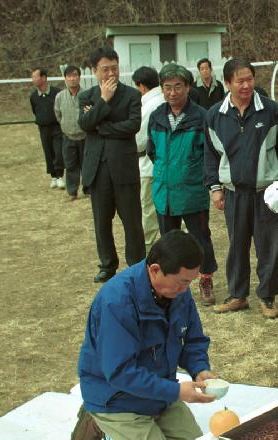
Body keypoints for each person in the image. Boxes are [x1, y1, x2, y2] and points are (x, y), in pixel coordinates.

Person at [70, 230, 217, 440]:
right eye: (182, 282)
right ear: (155, 269)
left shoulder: (178, 292)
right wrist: (175, 390)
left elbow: (193, 339)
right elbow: (120, 372)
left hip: (158, 394)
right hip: (116, 397)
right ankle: (106, 429)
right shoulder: (117, 302)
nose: (186, 289)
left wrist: (200, 369)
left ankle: (136, 430)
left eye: (190, 282)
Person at [204, 58, 278, 318]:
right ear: (228, 83)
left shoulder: (271, 111)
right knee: (236, 245)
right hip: (233, 193)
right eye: (239, 80)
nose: (246, 85)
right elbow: (210, 155)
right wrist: (215, 187)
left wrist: (274, 176)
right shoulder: (215, 115)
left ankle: (267, 296)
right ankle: (237, 295)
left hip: (266, 193)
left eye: (249, 79)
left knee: (271, 247)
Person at [148, 64, 218, 306]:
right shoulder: (157, 116)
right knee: (168, 242)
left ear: (188, 87)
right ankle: (171, 284)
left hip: (192, 191)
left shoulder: (202, 116)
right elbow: (152, 151)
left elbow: (210, 154)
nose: (173, 92)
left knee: (200, 239)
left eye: (178, 86)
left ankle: (206, 279)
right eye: (167, 87)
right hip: (164, 193)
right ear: (162, 89)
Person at [78, 47, 145, 283]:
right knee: (101, 221)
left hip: (124, 168)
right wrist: (104, 101)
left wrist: (102, 127)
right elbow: (85, 124)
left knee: (132, 221)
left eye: (114, 69)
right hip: (97, 169)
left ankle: (137, 264)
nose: (110, 74)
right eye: (105, 69)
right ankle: (107, 264)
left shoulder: (131, 95)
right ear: (95, 71)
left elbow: (132, 126)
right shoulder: (87, 96)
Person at [132, 66, 164, 250]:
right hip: (168, 164)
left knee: (148, 211)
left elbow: (138, 140)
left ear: (141, 86)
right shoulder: (164, 100)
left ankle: (148, 248)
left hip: (148, 165)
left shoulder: (148, 106)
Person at [53, 65, 86, 201]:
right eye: (69, 76)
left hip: (85, 136)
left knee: (87, 164)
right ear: (65, 78)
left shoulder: (86, 94)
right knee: (71, 165)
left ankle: (88, 189)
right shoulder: (60, 96)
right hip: (68, 137)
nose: (72, 79)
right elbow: (58, 114)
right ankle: (72, 192)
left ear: (79, 77)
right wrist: (65, 126)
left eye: (75, 75)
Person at [30, 67, 65, 190]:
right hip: (43, 128)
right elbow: (35, 111)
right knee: (48, 152)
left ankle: (60, 176)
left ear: (44, 78)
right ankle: (53, 177)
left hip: (57, 127)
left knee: (58, 151)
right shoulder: (33, 97)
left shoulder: (57, 93)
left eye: (35, 77)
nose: (33, 79)